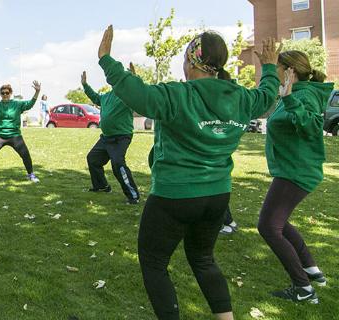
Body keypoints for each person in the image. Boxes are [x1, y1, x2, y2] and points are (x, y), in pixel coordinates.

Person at [97, 26, 280, 320]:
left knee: (154, 263)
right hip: (217, 196)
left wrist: (106, 59)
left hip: (175, 196)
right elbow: (268, 95)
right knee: (203, 259)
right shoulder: (242, 98)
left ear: (192, 61)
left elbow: (136, 93)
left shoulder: (177, 95)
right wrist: (269, 66)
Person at [258, 50, 332, 303]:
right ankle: (312, 270)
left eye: (276, 67)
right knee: (279, 222)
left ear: (290, 70)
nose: (273, 71)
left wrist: (289, 99)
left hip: (296, 172)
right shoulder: (296, 93)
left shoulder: (305, 95)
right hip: (292, 169)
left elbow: (311, 127)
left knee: (268, 226)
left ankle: (303, 289)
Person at [82, 70, 140, 204]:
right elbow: (95, 97)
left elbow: (137, 92)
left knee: (118, 164)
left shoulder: (126, 95)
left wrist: (134, 78)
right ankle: (102, 186)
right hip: (106, 138)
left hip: (121, 137)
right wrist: (85, 85)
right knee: (93, 159)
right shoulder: (106, 96)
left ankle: (133, 195)